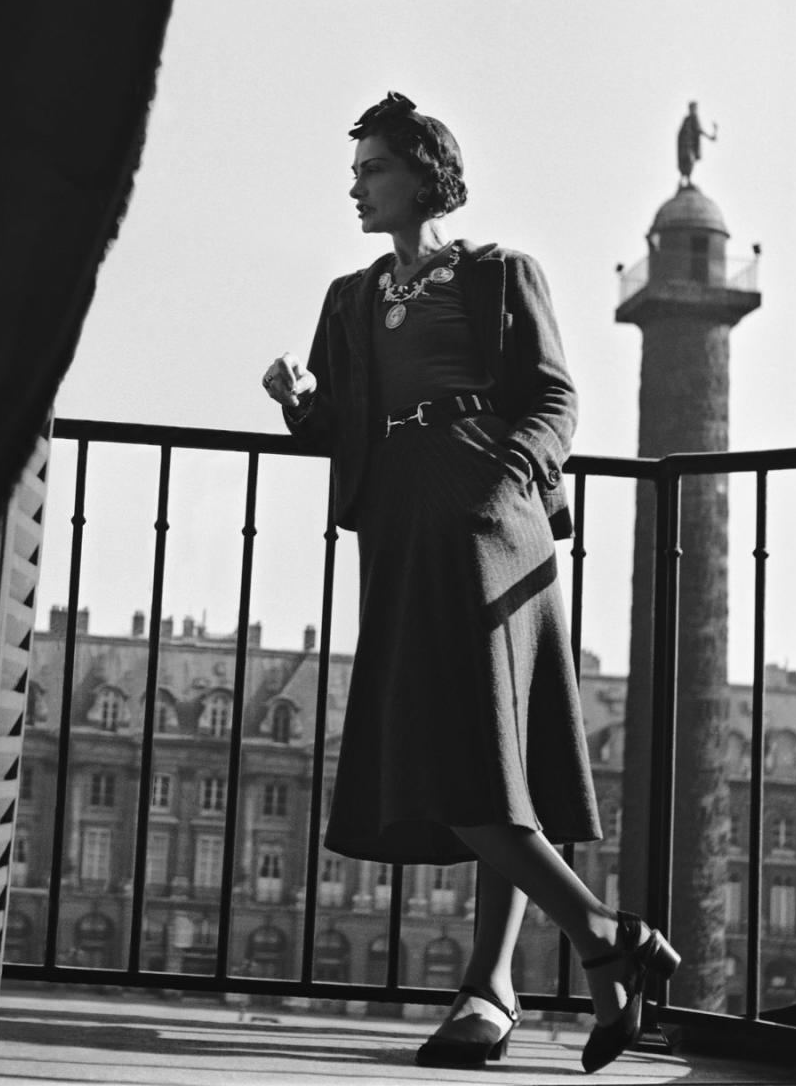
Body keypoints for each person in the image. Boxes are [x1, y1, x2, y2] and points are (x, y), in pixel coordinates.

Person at [261, 91, 679, 1072]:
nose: (356, 185)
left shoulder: (498, 272)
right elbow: (337, 426)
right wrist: (299, 401)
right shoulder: (349, 299)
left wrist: (509, 475)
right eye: (357, 169)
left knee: (471, 749)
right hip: (403, 517)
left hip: (490, 513)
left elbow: (555, 395)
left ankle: (563, 959)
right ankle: (592, 955)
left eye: (372, 167)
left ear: (423, 173)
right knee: (477, 753)